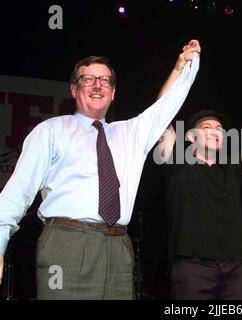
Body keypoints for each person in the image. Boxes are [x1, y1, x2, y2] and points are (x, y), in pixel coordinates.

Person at [0, 39, 201, 299]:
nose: (98, 85)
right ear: (74, 89)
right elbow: (18, 190)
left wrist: (185, 66)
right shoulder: (51, 131)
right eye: (88, 79)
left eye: (106, 81)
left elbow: (165, 108)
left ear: (114, 92)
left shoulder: (130, 133)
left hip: (119, 249)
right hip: (66, 244)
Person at [155, 82, 242, 299]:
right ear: (191, 137)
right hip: (192, 268)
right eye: (206, 128)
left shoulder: (231, 168)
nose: (215, 131)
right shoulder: (176, 164)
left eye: (219, 129)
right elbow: (160, 114)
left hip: (234, 271)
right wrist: (179, 69)